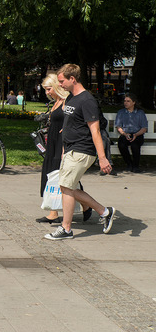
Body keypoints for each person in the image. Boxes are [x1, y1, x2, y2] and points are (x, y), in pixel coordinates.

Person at [45, 64, 115, 240]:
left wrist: (102, 158)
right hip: (70, 150)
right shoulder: (71, 98)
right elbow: (68, 125)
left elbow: (95, 131)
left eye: (62, 81)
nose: (59, 84)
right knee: (68, 187)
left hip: (82, 150)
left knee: (67, 188)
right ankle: (104, 211)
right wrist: (63, 149)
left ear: (72, 79)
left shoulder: (87, 101)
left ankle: (66, 229)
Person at [36, 75, 91, 224]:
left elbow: (74, 120)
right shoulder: (56, 102)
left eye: (48, 89)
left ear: (56, 86)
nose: (47, 93)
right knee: (52, 176)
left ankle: (87, 204)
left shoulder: (68, 101)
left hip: (62, 143)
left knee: (65, 179)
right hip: (53, 143)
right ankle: (53, 212)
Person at [115, 93, 148, 173]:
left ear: (134, 102)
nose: (125, 103)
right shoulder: (121, 112)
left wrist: (136, 135)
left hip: (138, 134)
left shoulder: (140, 113)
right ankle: (129, 164)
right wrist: (124, 134)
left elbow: (144, 128)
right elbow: (118, 127)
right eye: (125, 101)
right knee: (121, 145)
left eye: (128, 101)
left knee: (135, 145)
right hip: (125, 134)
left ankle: (136, 166)